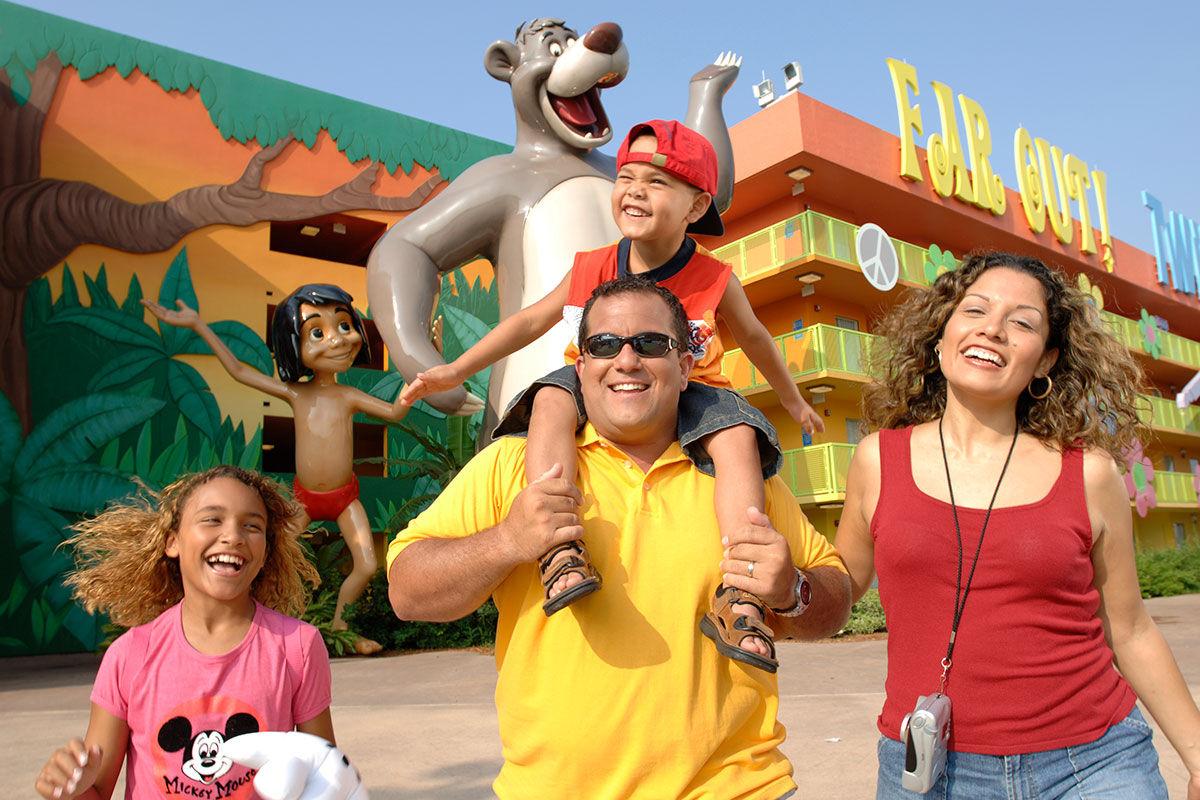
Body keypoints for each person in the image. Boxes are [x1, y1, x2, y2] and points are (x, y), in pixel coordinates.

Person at [388, 276, 851, 799]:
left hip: (738, 788)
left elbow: (836, 598)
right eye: (604, 344)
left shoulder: (739, 475)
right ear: (580, 367)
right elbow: (406, 591)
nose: (626, 360)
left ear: (685, 366)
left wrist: (792, 591)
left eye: (650, 343)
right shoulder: (511, 464)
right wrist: (507, 541)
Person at [400, 119, 824, 672]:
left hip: (694, 395)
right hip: (594, 389)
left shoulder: (714, 277)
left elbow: (758, 340)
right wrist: (455, 369)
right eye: (626, 177)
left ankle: (741, 591)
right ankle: (559, 547)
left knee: (739, 436)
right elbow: (529, 321)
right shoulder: (592, 265)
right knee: (550, 398)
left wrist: (792, 401)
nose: (635, 191)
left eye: (657, 181)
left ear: (697, 206)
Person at [833, 252, 1200, 799]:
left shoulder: (1090, 473)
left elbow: (1130, 629)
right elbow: (838, 588)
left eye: (1022, 322)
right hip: (932, 771)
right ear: (941, 335)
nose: (993, 329)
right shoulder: (877, 460)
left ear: (1046, 361)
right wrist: (785, 582)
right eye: (975, 310)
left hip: (1094, 763)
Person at [34, 465, 333, 800]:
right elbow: (95, 791)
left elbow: (325, 779)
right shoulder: (129, 656)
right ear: (172, 542)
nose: (233, 536)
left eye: (252, 525)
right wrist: (69, 788)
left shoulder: (298, 647)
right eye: (212, 519)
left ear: (265, 554)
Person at [146, 284, 411, 654]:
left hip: (345, 498)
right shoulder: (296, 393)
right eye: (317, 332)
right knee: (262, 562)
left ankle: (343, 631)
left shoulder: (348, 396)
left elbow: (396, 411)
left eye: (344, 326)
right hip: (305, 499)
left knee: (366, 564)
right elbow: (239, 370)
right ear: (294, 344)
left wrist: (420, 370)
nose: (337, 340)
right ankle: (254, 631)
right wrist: (198, 325)